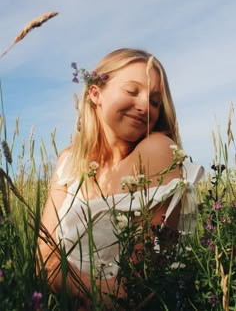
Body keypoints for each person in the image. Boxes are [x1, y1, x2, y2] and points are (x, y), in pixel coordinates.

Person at [37, 48, 203, 309]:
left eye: (155, 101)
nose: (145, 106)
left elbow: (138, 279)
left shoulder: (158, 151)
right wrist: (87, 289)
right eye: (132, 91)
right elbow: (43, 259)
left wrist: (72, 283)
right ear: (95, 93)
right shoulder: (68, 161)